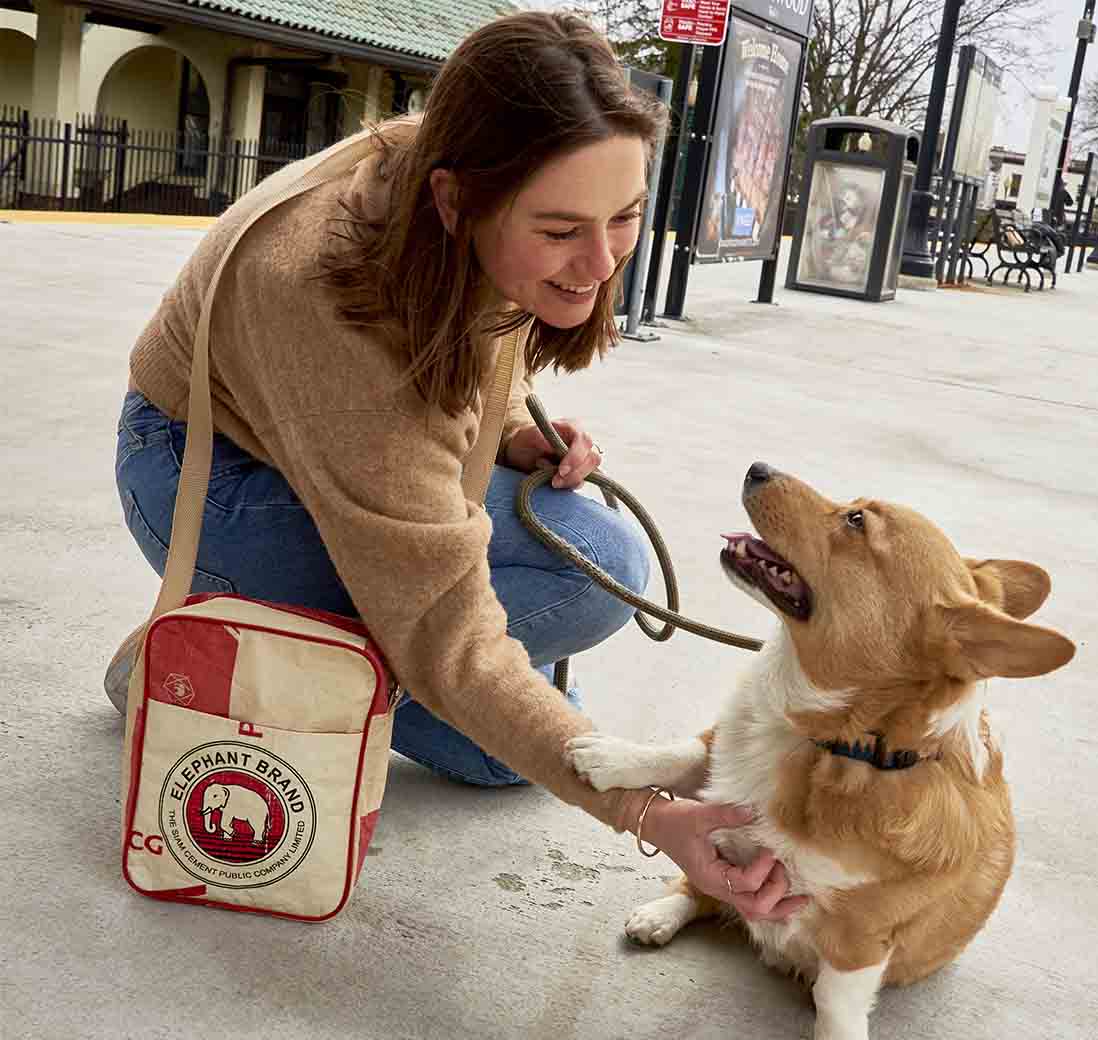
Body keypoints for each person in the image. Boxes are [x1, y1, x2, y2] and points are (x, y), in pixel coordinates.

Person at [109, 11, 804, 923]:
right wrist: (646, 809)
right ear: (454, 199)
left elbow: (469, 342)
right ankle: (201, 641)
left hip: (326, 444)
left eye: (626, 216)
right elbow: (447, 629)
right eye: (561, 230)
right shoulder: (331, 309)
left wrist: (513, 428)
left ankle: (291, 644)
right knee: (496, 717)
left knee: (581, 601)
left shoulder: (446, 192)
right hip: (206, 478)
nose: (600, 264)